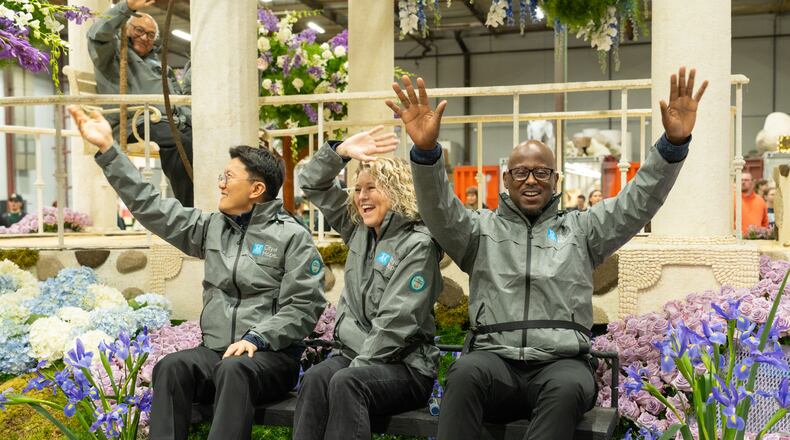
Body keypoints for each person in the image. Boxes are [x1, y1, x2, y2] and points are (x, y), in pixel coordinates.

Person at [387, 67, 707, 439]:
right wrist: (427, 154)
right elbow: (438, 209)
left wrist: (671, 146)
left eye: (541, 173)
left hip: (561, 364)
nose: (531, 180)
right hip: (494, 361)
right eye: (521, 172)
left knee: (568, 387)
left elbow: (637, 203)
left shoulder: (583, 230)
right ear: (506, 180)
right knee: (464, 375)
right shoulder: (478, 231)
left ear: (555, 180)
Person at [68, 106, 326, 440]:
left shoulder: (292, 237)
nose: (221, 184)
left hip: (270, 358)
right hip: (217, 354)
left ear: (256, 189)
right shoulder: (211, 227)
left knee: (235, 368)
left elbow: (303, 306)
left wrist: (256, 338)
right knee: (171, 367)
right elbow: (152, 207)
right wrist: (108, 149)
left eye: (228, 177)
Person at [293, 126, 443, 440]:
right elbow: (311, 182)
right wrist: (339, 153)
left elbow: (397, 322)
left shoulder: (418, 245)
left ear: (397, 191)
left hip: (407, 367)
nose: (361, 197)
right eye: (358, 189)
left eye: (371, 188)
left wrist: (356, 365)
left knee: (347, 381)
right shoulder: (359, 230)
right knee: (316, 378)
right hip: (356, 356)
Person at [88, 0, 194, 207]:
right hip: (136, 122)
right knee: (177, 142)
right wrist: (126, 8)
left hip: (167, 122)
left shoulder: (159, 65)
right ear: (126, 29)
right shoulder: (113, 56)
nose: (145, 37)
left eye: (151, 35)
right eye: (139, 30)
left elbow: (178, 99)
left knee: (204, 142)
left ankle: (209, 202)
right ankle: (190, 208)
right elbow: (97, 35)